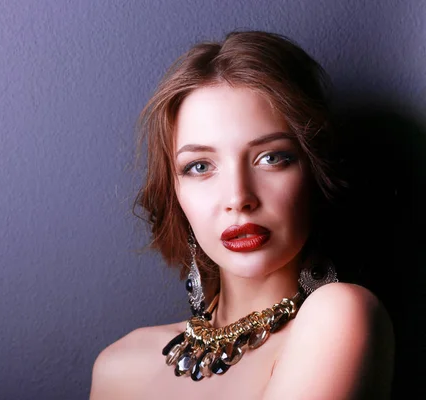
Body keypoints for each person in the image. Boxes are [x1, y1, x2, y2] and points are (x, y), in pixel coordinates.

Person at [89, 30, 395, 399]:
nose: (238, 197)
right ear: (174, 193)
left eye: (271, 158)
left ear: (315, 173)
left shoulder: (339, 315)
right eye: (200, 166)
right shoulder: (119, 365)